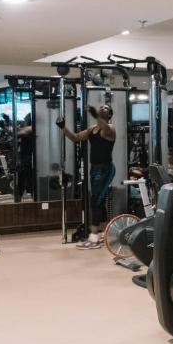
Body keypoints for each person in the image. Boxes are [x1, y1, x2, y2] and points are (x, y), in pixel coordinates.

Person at [56, 104, 116, 248]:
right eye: (102, 107)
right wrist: (63, 127)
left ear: (109, 115)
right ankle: (103, 234)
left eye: (106, 108)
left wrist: (96, 115)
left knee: (95, 201)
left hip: (105, 169)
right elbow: (76, 138)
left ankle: (93, 238)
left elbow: (105, 128)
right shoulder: (92, 129)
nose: (103, 108)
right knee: (99, 200)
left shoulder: (110, 128)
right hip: (94, 169)